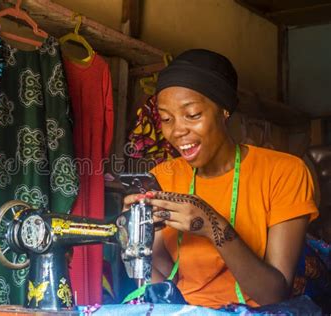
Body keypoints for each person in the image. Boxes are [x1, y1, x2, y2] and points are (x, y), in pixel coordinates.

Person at [123, 49, 318, 309]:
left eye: (192, 115)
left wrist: (213, 226)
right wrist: (134, 238)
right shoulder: (164, 176)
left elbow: (274, 294)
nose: (177, 130)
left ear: (224, 110)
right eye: (166, 119)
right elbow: (165, 282)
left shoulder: (285, 172)